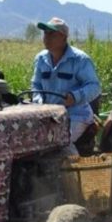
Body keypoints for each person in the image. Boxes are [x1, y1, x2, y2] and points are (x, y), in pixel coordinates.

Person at [32, 17, 101, 152]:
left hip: (75, 115)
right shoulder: (40, 58)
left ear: (63, 37)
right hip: (48, 115)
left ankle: (75, 171)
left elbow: (94, 86)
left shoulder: (80, 59)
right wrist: (38, 100)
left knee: (60, 141)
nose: (46, 37)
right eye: (45, 33)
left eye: (51, 34)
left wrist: (74, 97)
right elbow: (36, 85)